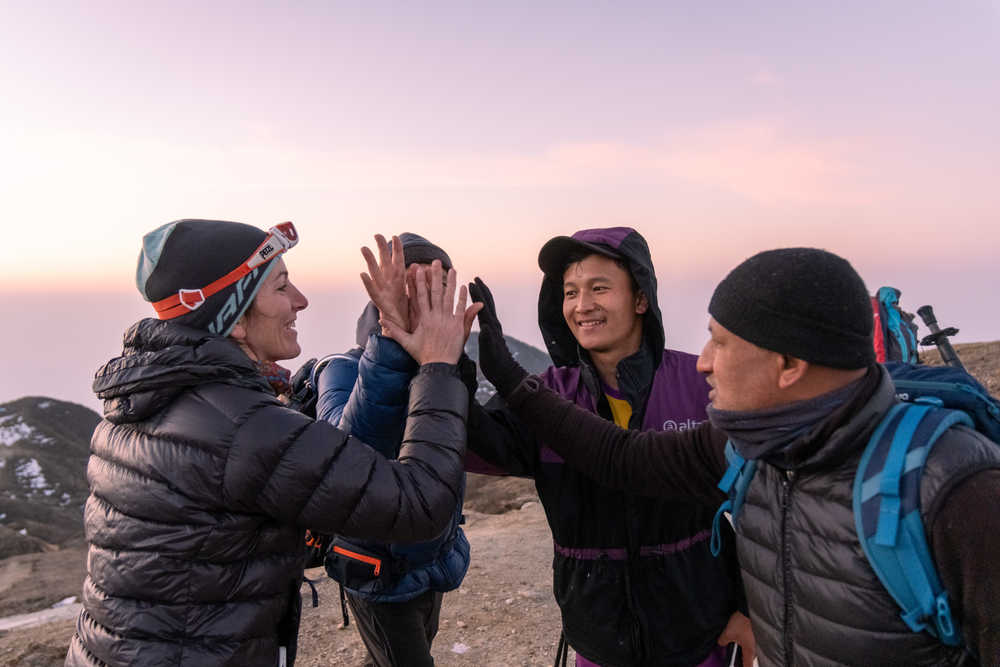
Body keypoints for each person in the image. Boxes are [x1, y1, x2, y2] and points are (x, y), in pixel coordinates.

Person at [471, 247, 1000, 666]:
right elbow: (623, 458)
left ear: (788, 363)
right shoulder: (746, 442)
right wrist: (509, 383)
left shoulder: (956, 488)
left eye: (721, 344)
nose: (702, 363)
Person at [66, 220, 479, 667]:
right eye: (282, 287)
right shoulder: (243, 428)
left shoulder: (139, 406)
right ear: (235, 316)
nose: (301, 300)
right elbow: (419, 504)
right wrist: (439, 365)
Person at [391, 227, 749, 666]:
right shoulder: (548, 395)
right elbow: (479, 442)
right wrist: (451, 364)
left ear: (640, 299)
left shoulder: (699, 384)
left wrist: (749, 611)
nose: (583, 306)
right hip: (600, 642)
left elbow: (758, 514)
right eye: (570, 292)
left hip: (702, 638)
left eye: (600, 288)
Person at [313, 233, 472, 667]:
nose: (422, 303)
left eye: (435, 290)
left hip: (430, 558)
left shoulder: (444, 369)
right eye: (409, 290)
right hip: (377, 570)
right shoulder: (343, 370)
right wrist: (395, 350)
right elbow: (344, 450)